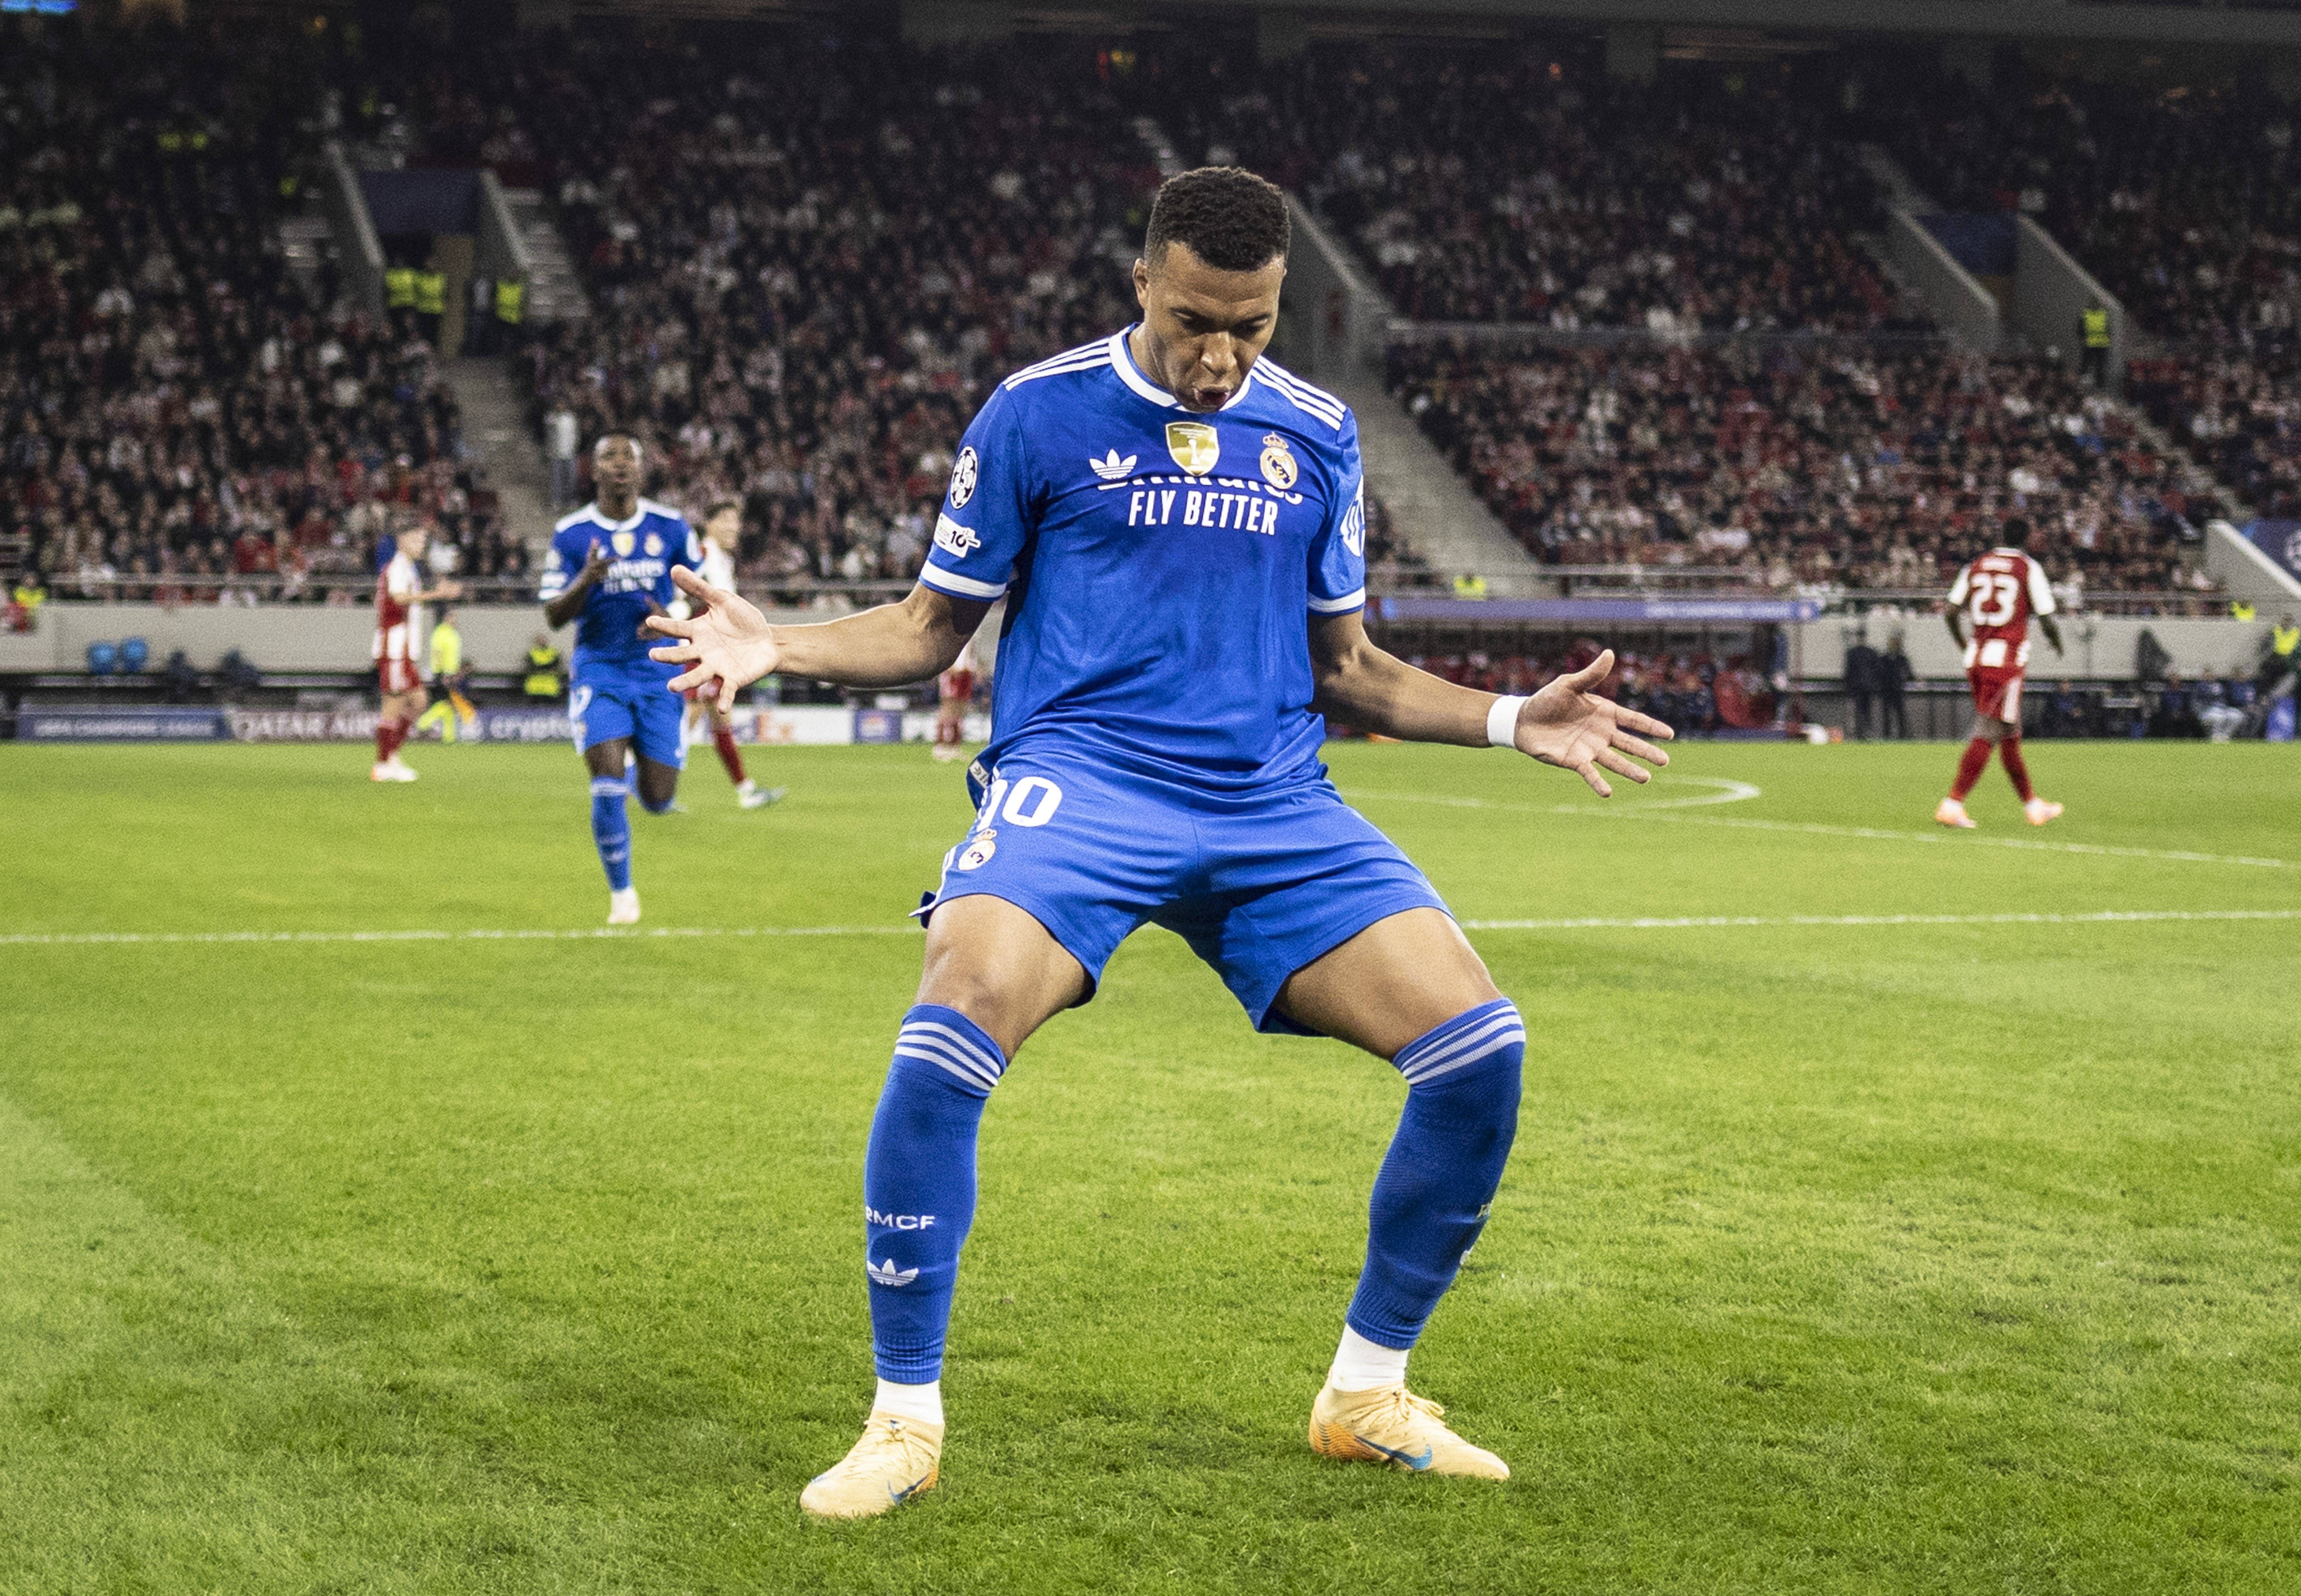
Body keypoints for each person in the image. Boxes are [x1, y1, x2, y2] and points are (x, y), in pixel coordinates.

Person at [645, 167, 1674, 1519]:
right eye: (1194, 320)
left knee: (1479, 1048)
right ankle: (904, 1419)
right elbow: (927, 628)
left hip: (1269, 801)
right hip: (1082, 786)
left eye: (1251, 326)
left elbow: (1351, 668)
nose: (1220, 355)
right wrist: (776, 642)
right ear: (1142, 284)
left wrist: (1504, 717)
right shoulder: (1037, 412)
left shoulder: (1317, 432)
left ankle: (1366, 1392)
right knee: (957, 1009)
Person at [540, 434, 699, 924]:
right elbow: (553, 615)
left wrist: (671, 614)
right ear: (594, 470)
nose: (619, 465)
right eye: (609, 457)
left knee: (658, 798)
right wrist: (586, 579)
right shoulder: (571, 533)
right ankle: (622, 894)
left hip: (658, 671)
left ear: (642, 469)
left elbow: (700, 595)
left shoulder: (670, 526)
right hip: (600, 669)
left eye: (628, 456)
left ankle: (638, 775)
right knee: (606, 782)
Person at [1937, 516, 2063, 828]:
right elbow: (2047, 617)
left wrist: (1962, 642)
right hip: (2005, 662)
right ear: (2028, 539)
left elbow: (1951, 611)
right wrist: (2056, 642)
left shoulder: (1976, 565)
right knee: (1989, 731)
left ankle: (2033, 806)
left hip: (1977, 657)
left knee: (2009, 734)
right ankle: (1953, 803)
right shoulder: (2027, 567)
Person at [678, 499, 782, 809]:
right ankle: (647, 784)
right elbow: (682, 594)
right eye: (725, 519)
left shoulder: (723, 560)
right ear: (709, 524)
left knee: (721, 721)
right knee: (689, 719)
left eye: (736, 520)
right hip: (701, 650)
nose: (733, 526)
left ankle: (746, 790)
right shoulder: (702, 553)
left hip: (717, 651)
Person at [372, 522, 461, 782]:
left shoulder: (409, 568)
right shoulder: (398, 567)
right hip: (394, 647)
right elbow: (399, 598)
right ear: (402, 540)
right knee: (394, 703)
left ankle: (392, 757)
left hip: (404, 649)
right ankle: (383, 763)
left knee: (419, 702)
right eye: (416, 540)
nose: (421, 545)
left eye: (423, 541)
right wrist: (435, 594)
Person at [415, 607, 478, 741]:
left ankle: (449, 737)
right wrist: (443, 674)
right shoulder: (441, 633)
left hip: (451, 673)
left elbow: (453, 655)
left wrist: (456, 672)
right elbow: (437, 653)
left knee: (450, 705)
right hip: (444, 674)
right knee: (447, 703)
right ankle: (423, 723)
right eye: (452, 617)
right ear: (446, 618)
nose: (455, 620)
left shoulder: (452, 633)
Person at [931, 636, 981, 763]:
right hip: (953, 671)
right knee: (948, 708)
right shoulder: (954, 631)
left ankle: (954, 746)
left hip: (967, 671)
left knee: (960, 711)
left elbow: (972, 650)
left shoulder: (974, 632)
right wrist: (948, 666)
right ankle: (940, 745)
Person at [1842, 627, 1880, 740]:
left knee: (1859, 710)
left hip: (1857, 686)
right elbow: (1877, 670)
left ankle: (1860, 733)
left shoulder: (1852, 653)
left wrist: (1848, 686)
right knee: (1867, 711)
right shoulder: (1871, 652)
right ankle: (1866, 732)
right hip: (1867, 687)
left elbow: (1848, 671)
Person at [545, 405, 580, 511]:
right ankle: (557, 501)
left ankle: (572, 501)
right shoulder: (552, 418)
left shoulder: (571, 418)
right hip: (556, 454)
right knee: (557, 480)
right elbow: (549, 433)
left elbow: (576, 434)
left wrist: (575, 447)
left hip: (570, 453)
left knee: (571, 479)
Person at [1878, 633, 1912, 741]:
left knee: (1900, 714)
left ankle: (1902, 735)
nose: (1893, 645)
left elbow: (1909, 673)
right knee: (1886, 714)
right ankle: (1887, 735)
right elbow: (1879, 673)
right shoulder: (1883, 659)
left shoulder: (1902, 658)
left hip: (1898, 689)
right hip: (1886, 690)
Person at [2077, 302, 2111, 387]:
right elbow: (2108, 329)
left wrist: (2082, 337)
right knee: (2092, 364)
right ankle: (2096, 383)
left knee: (2093, 364)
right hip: (2098, 343)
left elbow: (2080, 328)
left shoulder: (2086, 314)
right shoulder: (2103, 314)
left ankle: (2097, 383)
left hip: (2094, 343)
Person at [523, 633, 566, 700]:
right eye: (540, 640)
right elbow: (531, 666)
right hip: (535, 687)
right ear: (536, 642)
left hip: (550, 686)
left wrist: (541, 668)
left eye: (543, 640)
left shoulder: (554, 652)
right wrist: (547, 668)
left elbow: (556, 665)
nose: (542, 642)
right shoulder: (532, 653)